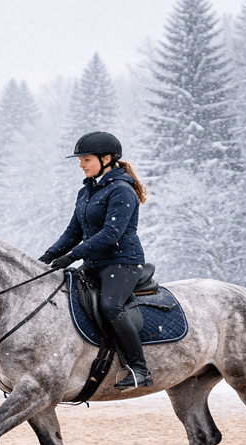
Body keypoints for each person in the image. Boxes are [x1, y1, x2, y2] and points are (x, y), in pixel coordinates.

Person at [39, 131, 153, 391]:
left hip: (123, 261)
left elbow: (111, 234)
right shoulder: (86, 191)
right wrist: (49, 255)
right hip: (95, 262)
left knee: (110, 306)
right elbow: (73, 232)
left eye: (86, 159)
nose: (81, 164)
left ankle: (139, 368)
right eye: (81, 160)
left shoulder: (122, 190)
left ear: (107, 158)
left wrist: (73, 256)